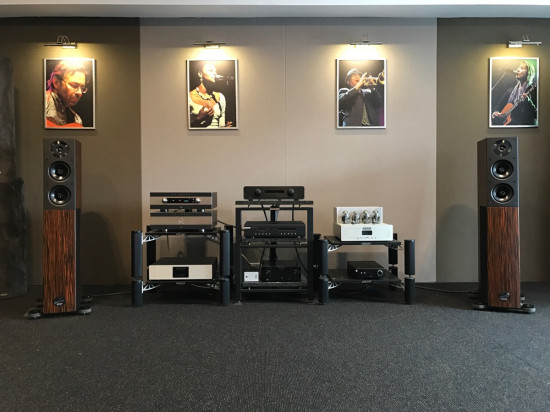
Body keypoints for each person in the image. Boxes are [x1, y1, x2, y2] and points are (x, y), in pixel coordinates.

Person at [491, 60, 537, 126]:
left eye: (522, 68)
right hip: (509, 126)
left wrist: (529, 102)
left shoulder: (533, 90)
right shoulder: (510, 91)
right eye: (518, 68)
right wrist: (496, 112)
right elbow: (498, 106)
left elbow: (537, 115)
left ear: (529, 72)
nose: (518, 70)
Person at [45, 60, 88, 128]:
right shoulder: (39, 103)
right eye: (74, 85)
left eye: (82, 88)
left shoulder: (76, 120)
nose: (79, 93)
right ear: (56, 82)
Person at [188, 62, 232, 128]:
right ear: (200, 74)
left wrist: (225, 128)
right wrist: (199, 119)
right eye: (210, 70)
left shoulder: (220, 97)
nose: (214, 73)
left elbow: (221, 125)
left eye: (215, 72)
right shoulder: (189, 97)